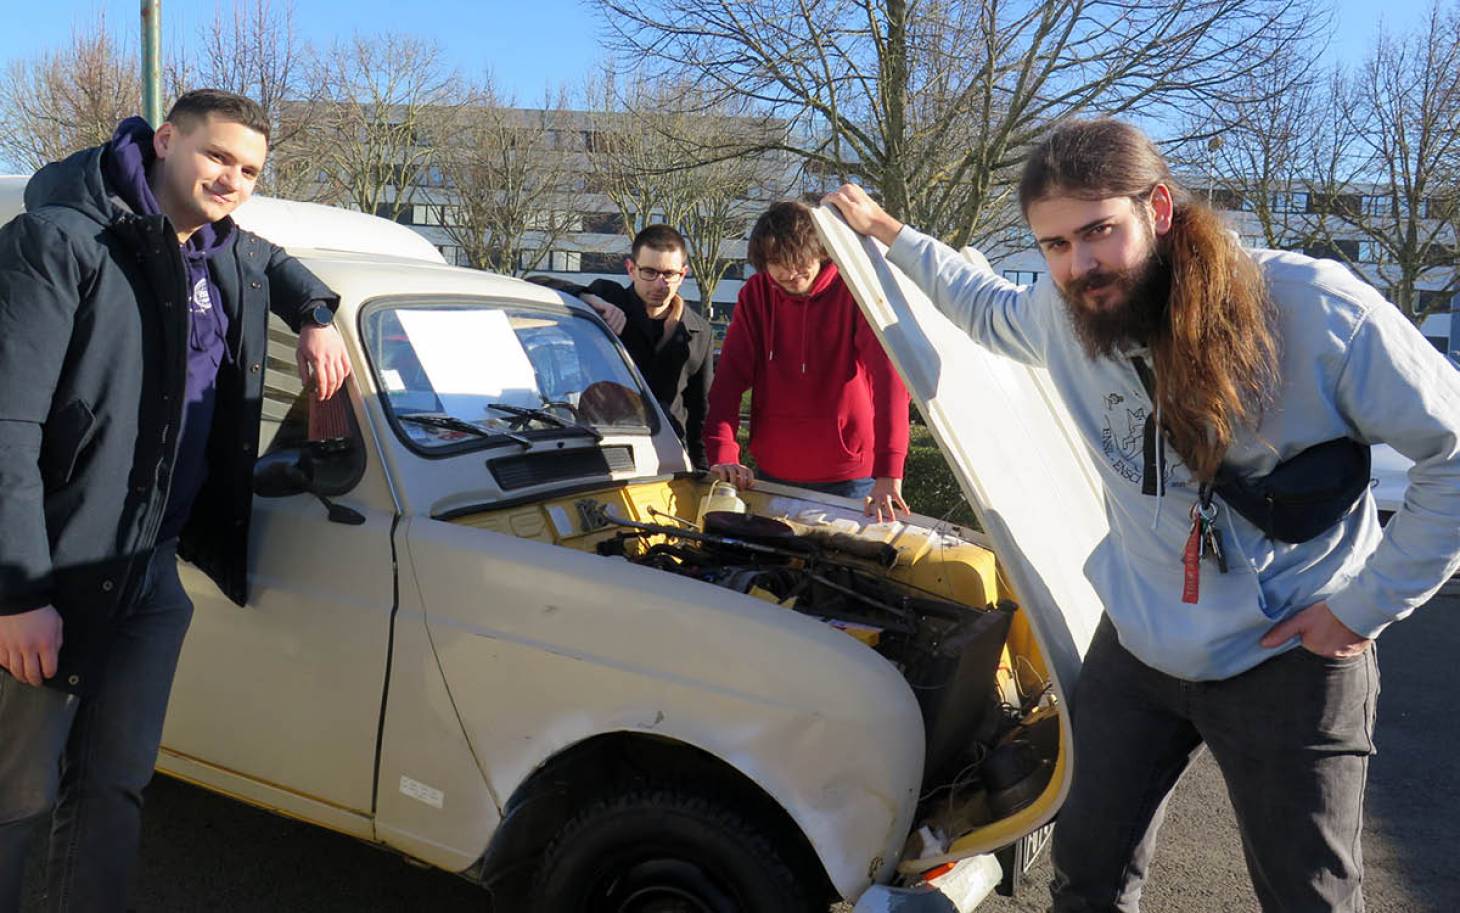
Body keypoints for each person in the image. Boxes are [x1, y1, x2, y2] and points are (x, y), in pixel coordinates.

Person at [826, 118, 1460, 912]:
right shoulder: (1062, 316)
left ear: (1158, 207)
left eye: (1099, 232)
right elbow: (980, 304)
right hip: (1139, 641)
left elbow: (1454, 452)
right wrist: (890, 233)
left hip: (1289, 653)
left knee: (1312, 898)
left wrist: (1364, 607)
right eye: (1054, 245)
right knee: (1086, 876)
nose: (1080, 266)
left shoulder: (1312, 311)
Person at [0, 89, 351, 911]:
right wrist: (16, 592)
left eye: (250, 169)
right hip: (53, 568)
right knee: (17, 797)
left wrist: (317, 313)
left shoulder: (219, 251)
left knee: (114, 788)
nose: (231, 178)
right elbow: (5, 425)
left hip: (150, 574)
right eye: (217, 156)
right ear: (165, 140)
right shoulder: (61, 240)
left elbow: (271, 259)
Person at [703, 201, 911, 520]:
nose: (790, 273)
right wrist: (723, 452)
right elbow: (729, 380)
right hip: (773, 471)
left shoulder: (854, 292)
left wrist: (889, 472)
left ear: (822, 252)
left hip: (850, 477)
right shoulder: (755, 295)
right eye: (777, 263)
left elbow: (891, 383)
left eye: (799, 261)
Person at [556, 225, 713, 468]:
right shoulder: (607, 300)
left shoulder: (699, 330)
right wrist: (586, 297)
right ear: (631, 269)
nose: (660, 284)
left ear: (683, 275)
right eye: (649, 272)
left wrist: (701, 469)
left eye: (669, 274)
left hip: (669, 456)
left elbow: (700, 412)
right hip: (606, 450)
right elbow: (534, 284)